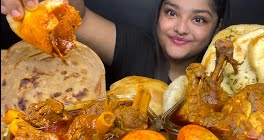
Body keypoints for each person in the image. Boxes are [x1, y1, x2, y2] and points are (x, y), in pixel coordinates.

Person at [1, 0, 229, 86]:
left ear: (217, 27)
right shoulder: (137, 48)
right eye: (171, 13)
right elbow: (79, 17)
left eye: (198, 19)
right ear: (159, 13)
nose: (180, 28)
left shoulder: (231, 73)